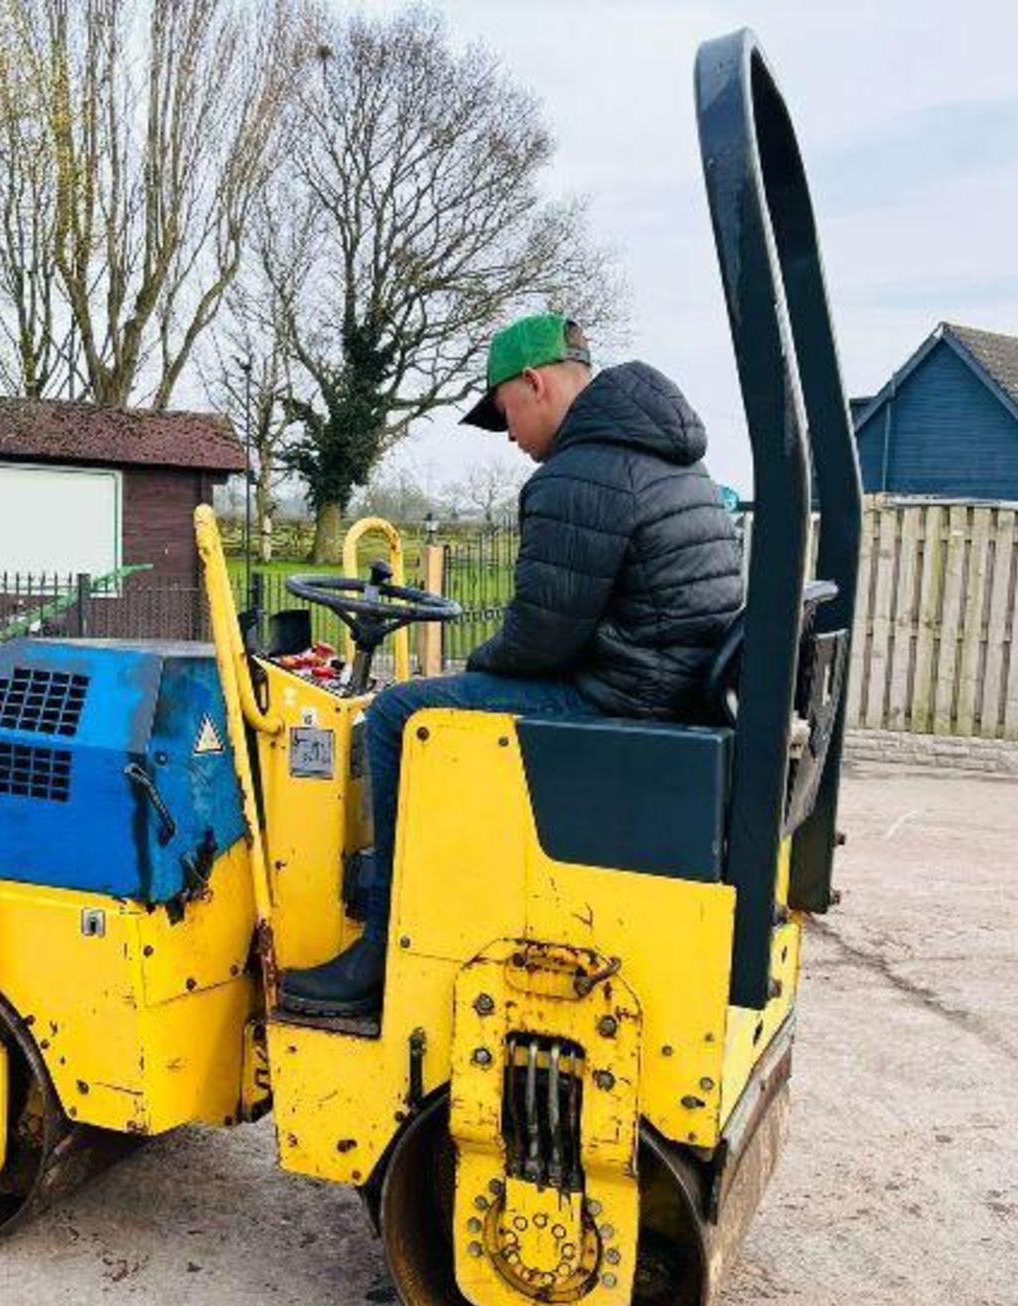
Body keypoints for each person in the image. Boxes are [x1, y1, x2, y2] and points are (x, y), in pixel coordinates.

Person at [279, 313, 745, 1018]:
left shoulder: (581, 472)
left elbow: (538, 643)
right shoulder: (668, 456)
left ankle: (381, 944)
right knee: (438, 698)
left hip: (621, 699)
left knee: (403, 711)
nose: (514, 440)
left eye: (505, 417)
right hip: (665, 687)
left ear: (534, 385)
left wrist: (481, 661)